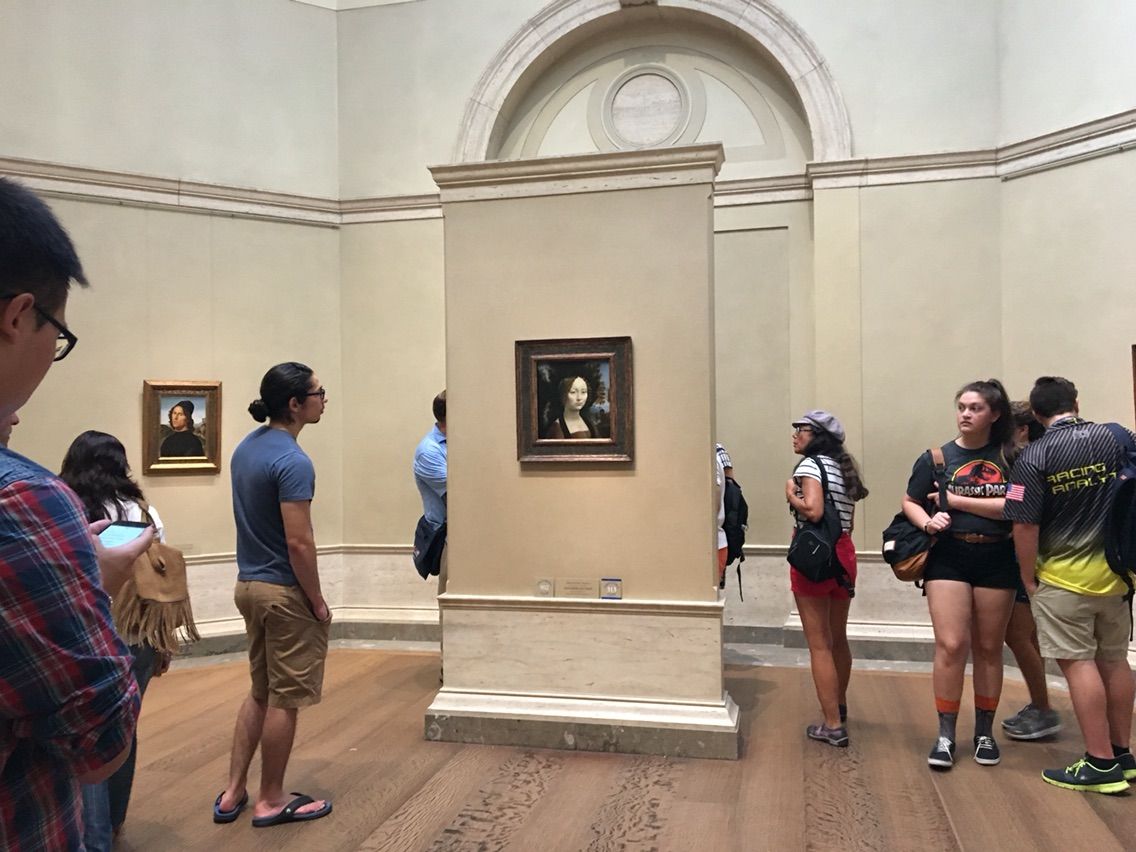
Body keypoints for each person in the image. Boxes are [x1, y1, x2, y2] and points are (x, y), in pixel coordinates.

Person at [0, 177, 154, 851]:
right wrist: (93, 579)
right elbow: (100, 744)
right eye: (57, 334)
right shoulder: (25, 501)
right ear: (18, 316)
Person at [215, 362, 333, 828]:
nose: (324, 399)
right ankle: (270, 798)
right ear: (295, 403)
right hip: (283, 592)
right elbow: (299, 542)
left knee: (260, 691)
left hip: (248, 585)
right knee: (285, 698)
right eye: (318, 393)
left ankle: (233, 791)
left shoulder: (247, 447)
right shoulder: (293, 461)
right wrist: (317, 600)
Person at [1005, 376, 1136, 794]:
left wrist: (1028, 577)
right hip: (1117, 575)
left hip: (1063, 579)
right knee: (1115, 661)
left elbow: (1024, 524)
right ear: (1076, 403)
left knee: (1079, 664)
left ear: (1037, 414)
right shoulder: (1118, 437)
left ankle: (1098, 763)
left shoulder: (1034, 457)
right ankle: (1122, 755)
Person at [59, 431, 176, 849]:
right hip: (136, 634)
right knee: (124, 729)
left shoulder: (65, 509)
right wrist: (165, 642)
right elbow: (159, 582)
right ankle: (113, 822)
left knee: (85, 732)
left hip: (83, 633)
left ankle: (87, 832)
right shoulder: (142, 512)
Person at [902, 379, 1017, 770]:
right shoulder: (936, 458)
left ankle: (984, 732)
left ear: (994, 414)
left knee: (989, 646)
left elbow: (1016, 506)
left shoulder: (1011, 457)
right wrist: (927, 521)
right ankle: (945, 734)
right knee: (951, 644)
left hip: (998, 555)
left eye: (975, 408)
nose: (966, 414)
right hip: (949, 555)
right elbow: (910, 501)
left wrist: (955, 500)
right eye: (962, 407)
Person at [785, 410, 868, 748]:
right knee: (838, 638)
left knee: (819, 644)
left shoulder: (809, 467)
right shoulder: (841, 468)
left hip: (814, 556)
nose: (795, 434)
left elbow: (814, 510)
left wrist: (791, 494)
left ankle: (832, 725)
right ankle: (839, 705)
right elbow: (847, 521)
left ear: (817, 435)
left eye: (801, 429)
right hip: (843, 553)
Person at [1000, 402, 1061, 741]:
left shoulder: (1026, 463)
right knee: (1029, 637)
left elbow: (1017, 512)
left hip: (1026, 558)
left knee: (1017, 635)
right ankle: (1041, 703)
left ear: (1022, 430)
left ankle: (1043, 708)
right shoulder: (1048, 458)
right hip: (1043, 556)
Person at [414, 390, 448, 592]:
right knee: (451, 598)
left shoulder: (459, 443)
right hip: (447, 538)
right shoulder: (429, 451)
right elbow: (459, 498)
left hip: (465, 534)